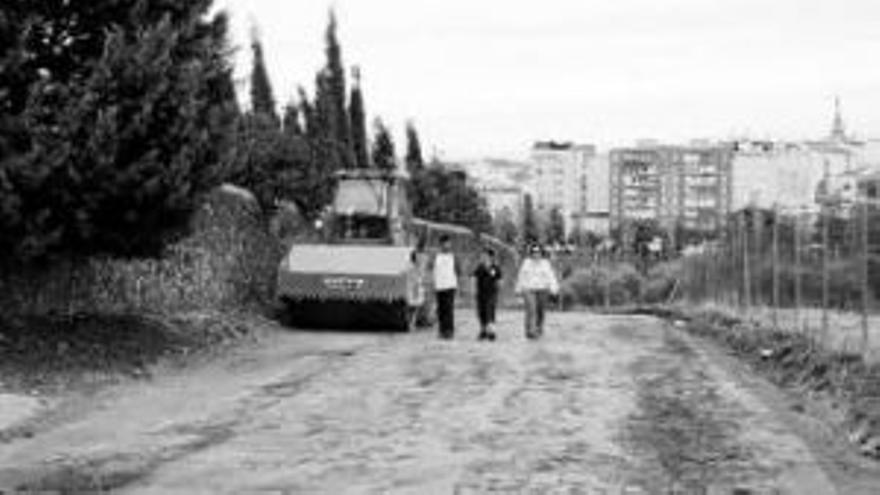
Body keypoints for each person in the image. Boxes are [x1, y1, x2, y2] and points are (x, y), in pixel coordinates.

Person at [514, 243, 559, 340]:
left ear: (541, 253)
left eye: (538, 252)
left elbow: (551, 277)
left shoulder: (545, 263)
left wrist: (554, 289)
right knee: (531, 309)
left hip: (542, 289)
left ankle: (539, 327)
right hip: (529, 289)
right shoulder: (526, 263)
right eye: (534, 252)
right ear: (531, 253)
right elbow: (521, 277)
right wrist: (518, 290)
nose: (536, 254)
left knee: (541, 311)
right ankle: (530, 330)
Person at [432, 235, 460, 339]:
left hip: (450, 286)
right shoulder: (436, 256)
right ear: (440, 244)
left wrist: (458, 285)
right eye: (444, 243)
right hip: (439, 286)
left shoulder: (453, 257)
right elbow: (433, 270)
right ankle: (441, 330)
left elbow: (458, 271)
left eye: (448, 243)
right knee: (440, 310)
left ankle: (449, 330)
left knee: (449, 309)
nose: (446, 245)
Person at [472, 247, 503, 341]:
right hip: (480, 293)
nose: (484, 257)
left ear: (491, 257)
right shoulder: (480, 267)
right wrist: (473, 289)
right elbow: (474, 278)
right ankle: (483, 330)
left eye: (486, 255)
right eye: (483, 255)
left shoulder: (495, 267)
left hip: (491, 293)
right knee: (481, 312)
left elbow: (500, 280)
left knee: (490, 311)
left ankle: (491, 331)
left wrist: (498, 290)